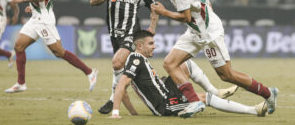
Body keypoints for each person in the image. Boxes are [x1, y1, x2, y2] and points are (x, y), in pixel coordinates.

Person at [150, 0, 278, 117]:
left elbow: (185, 17)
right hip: (196, 30)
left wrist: (163, 12)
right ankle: (195, 101)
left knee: (227, 75)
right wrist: (207, 0)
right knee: (170, 63)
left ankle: (268, 93)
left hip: (209, 34)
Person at [109, 30, 267, 118]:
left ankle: (214, 90)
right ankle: (253, 111)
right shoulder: (136, 59)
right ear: (139, 46)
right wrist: (115, 113)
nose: (154, 47)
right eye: (150, 44)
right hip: (165, 104)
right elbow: (121, 85)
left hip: (166, 91)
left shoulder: (138, 58)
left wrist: (133, 113)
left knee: (184, 64)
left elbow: (123, 88)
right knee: (206, 98)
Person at [5, 0, 98, 93]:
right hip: (37, 17)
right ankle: (21, 83)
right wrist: (35, 7)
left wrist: (23, 0)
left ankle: (90, 72)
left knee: (59, 52)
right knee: (19, 46)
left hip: (44, 20)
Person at [89, 0, 159, 114]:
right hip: (114, 34)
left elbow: (154, 9)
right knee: (128, 73)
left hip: (131, 32)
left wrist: (152, 27)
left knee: (116, 62)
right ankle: (136, 111)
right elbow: (93, 0)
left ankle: (113, 99)